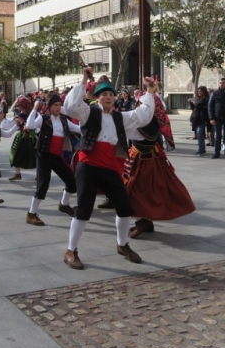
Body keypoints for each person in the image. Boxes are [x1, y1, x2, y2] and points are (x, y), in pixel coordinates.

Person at [61, 68, 157, 270]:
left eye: (112, 94)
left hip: (110, 168)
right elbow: (70, 106)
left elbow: (143, 116)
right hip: (88, 166)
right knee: (84, 210)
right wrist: (84, 80)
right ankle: (71, 250)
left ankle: (122, 245)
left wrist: (149, 91)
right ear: (97, 97)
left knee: (124, 208)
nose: (109, 97)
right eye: (104, 94)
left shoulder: (120, 117)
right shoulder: (88, 112)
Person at [123, 91, 195, 238]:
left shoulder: (145, 123)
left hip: (144, 161)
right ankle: (145, 221)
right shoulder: (149, 121)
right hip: (146, 157)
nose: (137, 105)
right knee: (143, 190)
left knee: (138, 191)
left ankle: (143, 220)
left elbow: (126, 130)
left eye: (140, 103)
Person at [24, 95, 82, 226]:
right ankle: (31, 214)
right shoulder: (43, 118)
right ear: (49, 107)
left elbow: (78, 129)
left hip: (56, 156)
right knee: (43, 185)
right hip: (43, 155)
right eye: (55, 105)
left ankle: (63, 204)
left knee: (71, 181)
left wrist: (90, 126)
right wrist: (34, 109)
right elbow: (29, 125)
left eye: (59, 105)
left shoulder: (63, 120)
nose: (58, 107)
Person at [8, 95, 37, 181]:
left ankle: (38, 175)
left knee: (34, 156)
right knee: (16, 155)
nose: (18, 107)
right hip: (25, 137)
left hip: (30, 137)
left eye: (19, 105)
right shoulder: (23, 115)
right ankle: (17, 174)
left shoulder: (32, 114)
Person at [190, 86, 210, 156]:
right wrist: (191, 103)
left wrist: (198, 105)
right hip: (196, 118)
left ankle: (201, 150)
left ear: (204, 92)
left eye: (200, 91)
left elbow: (206, 109)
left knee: (199, 133)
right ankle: (201, 149)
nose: (199, 92)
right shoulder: (197, 99)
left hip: (202, 119)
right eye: (198, 91)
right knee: (198, 135)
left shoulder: (206, 99)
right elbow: (193, 108)